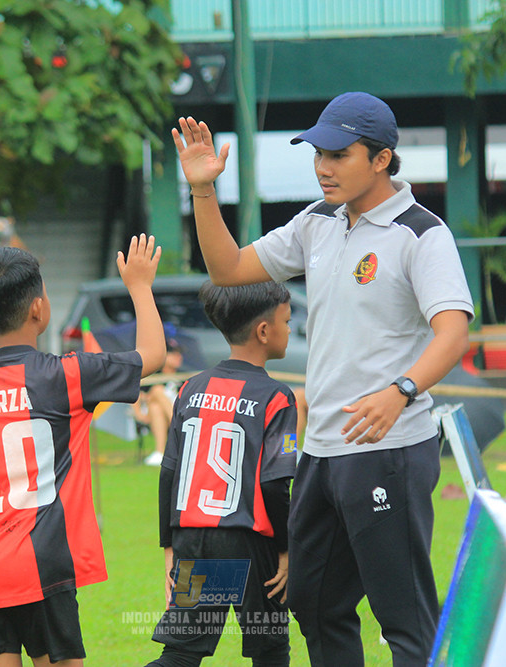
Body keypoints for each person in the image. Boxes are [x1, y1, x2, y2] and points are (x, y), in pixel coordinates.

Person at [172, 92, 473, 666]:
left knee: (402, 613)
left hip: (389, 449)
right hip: (323, 451)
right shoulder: (316, 222)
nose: (322, 166)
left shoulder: (421, 233)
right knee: (313, 602)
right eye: (317, 152)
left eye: (338, 153)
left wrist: (400, 391)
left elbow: (453, 334)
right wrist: (203, 188)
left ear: (382, 159)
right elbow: (228, 270)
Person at [0, 237, 166, 667]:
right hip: (44, 559)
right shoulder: (68, 376)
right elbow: (152, 355)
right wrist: (139, 285)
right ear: (39, 309)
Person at [146, 280, 299, 667]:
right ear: (264, 332)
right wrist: (285, 549)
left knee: (181, 653)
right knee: (270, 649)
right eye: (287, 319)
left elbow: (169, 473)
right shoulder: (279, 397)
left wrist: (170, 547)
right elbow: (275, 483)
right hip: (251, 542)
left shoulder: (189, 389)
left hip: (197, 541)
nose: (290, 328)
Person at [134, 338, 185, 466]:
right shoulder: (153, 376)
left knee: (156, 402)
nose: (178, 357)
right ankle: (178, 426)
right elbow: (137, 395)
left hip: (179, 409)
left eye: (179, 353)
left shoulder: (184, 376)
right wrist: (139, 414)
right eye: (173, 354)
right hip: (162, 415)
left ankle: (160, 451)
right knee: (156, 392)